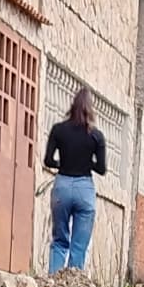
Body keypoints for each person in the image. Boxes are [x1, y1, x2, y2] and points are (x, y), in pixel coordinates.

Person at [42, 89, 106, 273]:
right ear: (90, 110)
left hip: (62, 186)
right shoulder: (96, 136)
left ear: (72, 106)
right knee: (79, 245)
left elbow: (48, 160)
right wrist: (87, 161)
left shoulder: (58, 130)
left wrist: (62, 162)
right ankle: (71, 285)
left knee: (60, 239)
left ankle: (53, 280)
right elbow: (101, 169)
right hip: (84, 189)